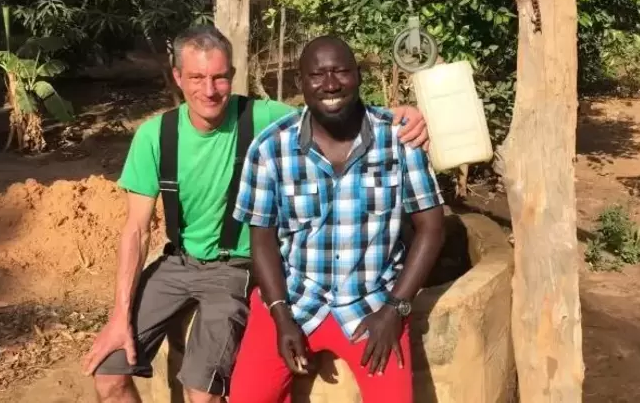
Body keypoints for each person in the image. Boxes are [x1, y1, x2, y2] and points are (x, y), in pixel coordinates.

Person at [80, 24, 431, 403]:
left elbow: (331, 106)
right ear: (178, 77)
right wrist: (120, 316)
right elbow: (136, 230)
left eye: (219, 77)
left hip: (236, 266)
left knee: (202, 390)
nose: (209, 90)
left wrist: (401, 116)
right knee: (108, 375)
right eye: (197, 77)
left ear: (232, 76)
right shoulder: (155, 136)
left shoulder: (262, 119)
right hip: (179, 264)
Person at [228, 35, 446, 403]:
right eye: (317, 75)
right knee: (248, 397)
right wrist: (280, 316)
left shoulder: (398, 140)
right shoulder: (271, 148)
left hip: (372, 303)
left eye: (341, 71)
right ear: (301, 83)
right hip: (295, 299)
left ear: (358, 76)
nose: (330, 84)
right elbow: (261, 237)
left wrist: (395, 309)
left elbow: (432, 227)